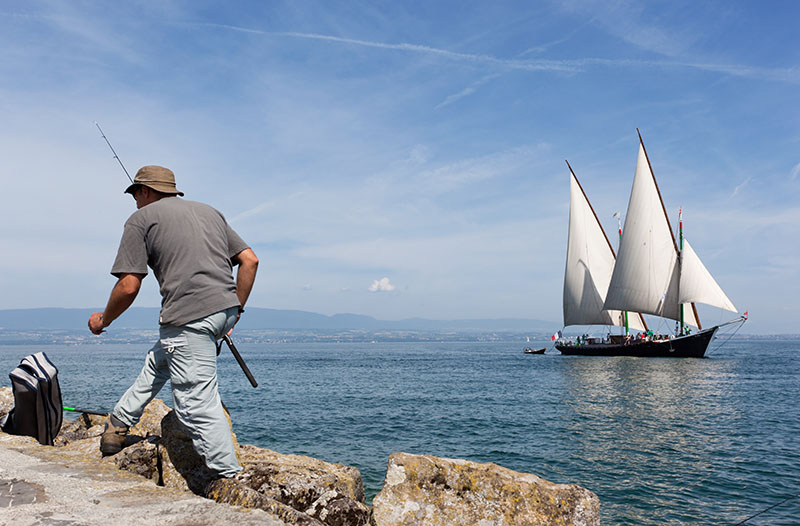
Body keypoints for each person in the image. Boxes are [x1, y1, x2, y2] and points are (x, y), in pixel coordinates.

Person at [88, 165, 258, 479]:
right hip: (223, 312)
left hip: (188, 316)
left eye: (135, 195)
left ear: (144, 191)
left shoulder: (140, 219)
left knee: (196, 402)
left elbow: (128, 285)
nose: (135, 202)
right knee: (159, 361)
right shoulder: (210, 212)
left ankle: (230, 479)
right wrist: (236, 310)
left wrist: (103, 319)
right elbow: (250, 260)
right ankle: (117, 425)